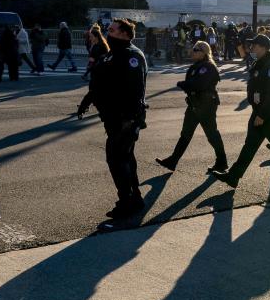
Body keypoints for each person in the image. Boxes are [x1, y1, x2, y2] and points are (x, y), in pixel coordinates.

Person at [77, 18, 148, 218]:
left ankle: (127, 201)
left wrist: (130, 118)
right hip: (112, 118)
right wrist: (86, 101)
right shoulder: (112, 55)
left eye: (113, 30)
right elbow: (99, 82)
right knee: (125, 159)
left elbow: (136, 89)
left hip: (125, 119)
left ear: (125, 34)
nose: (108, 32)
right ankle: (134, 198)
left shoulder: (132, 55)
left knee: (117, 159)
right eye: (108, 29)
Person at [211, 35, 270, 190]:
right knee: (250, 145)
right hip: (260, 112)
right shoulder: (260, 64)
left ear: (264, 47)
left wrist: (262, 115)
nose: (251, 48)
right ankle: (233, 176)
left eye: (255, 45)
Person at [155, 40, 228, 173]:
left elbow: (199, 84)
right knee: (185, 134)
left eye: (195, 49)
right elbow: (193, 83)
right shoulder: (197, 66)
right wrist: (186, 85)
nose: (192, 51)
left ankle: (222, 162)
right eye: (193, 49)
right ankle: (173, 160)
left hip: (206, 106)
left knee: (212, 134)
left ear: (203, 52)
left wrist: (184, 84)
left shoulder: (208, 67)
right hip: (195, 105)